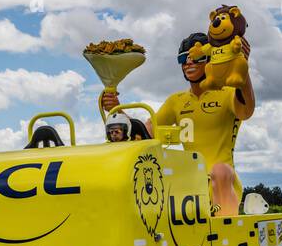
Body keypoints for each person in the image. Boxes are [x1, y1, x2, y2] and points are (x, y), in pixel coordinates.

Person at [104, 29, 255, 216]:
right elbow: (145, 133)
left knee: (220, 171)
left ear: (210, 59)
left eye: (195, 58)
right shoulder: (177, 101)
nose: (188, 63)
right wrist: (118, 110)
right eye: (183, 59)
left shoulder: (227, 93)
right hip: (190, 184)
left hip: (222, 182)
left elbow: (246, 111)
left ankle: (226, 230)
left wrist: (242, 69)